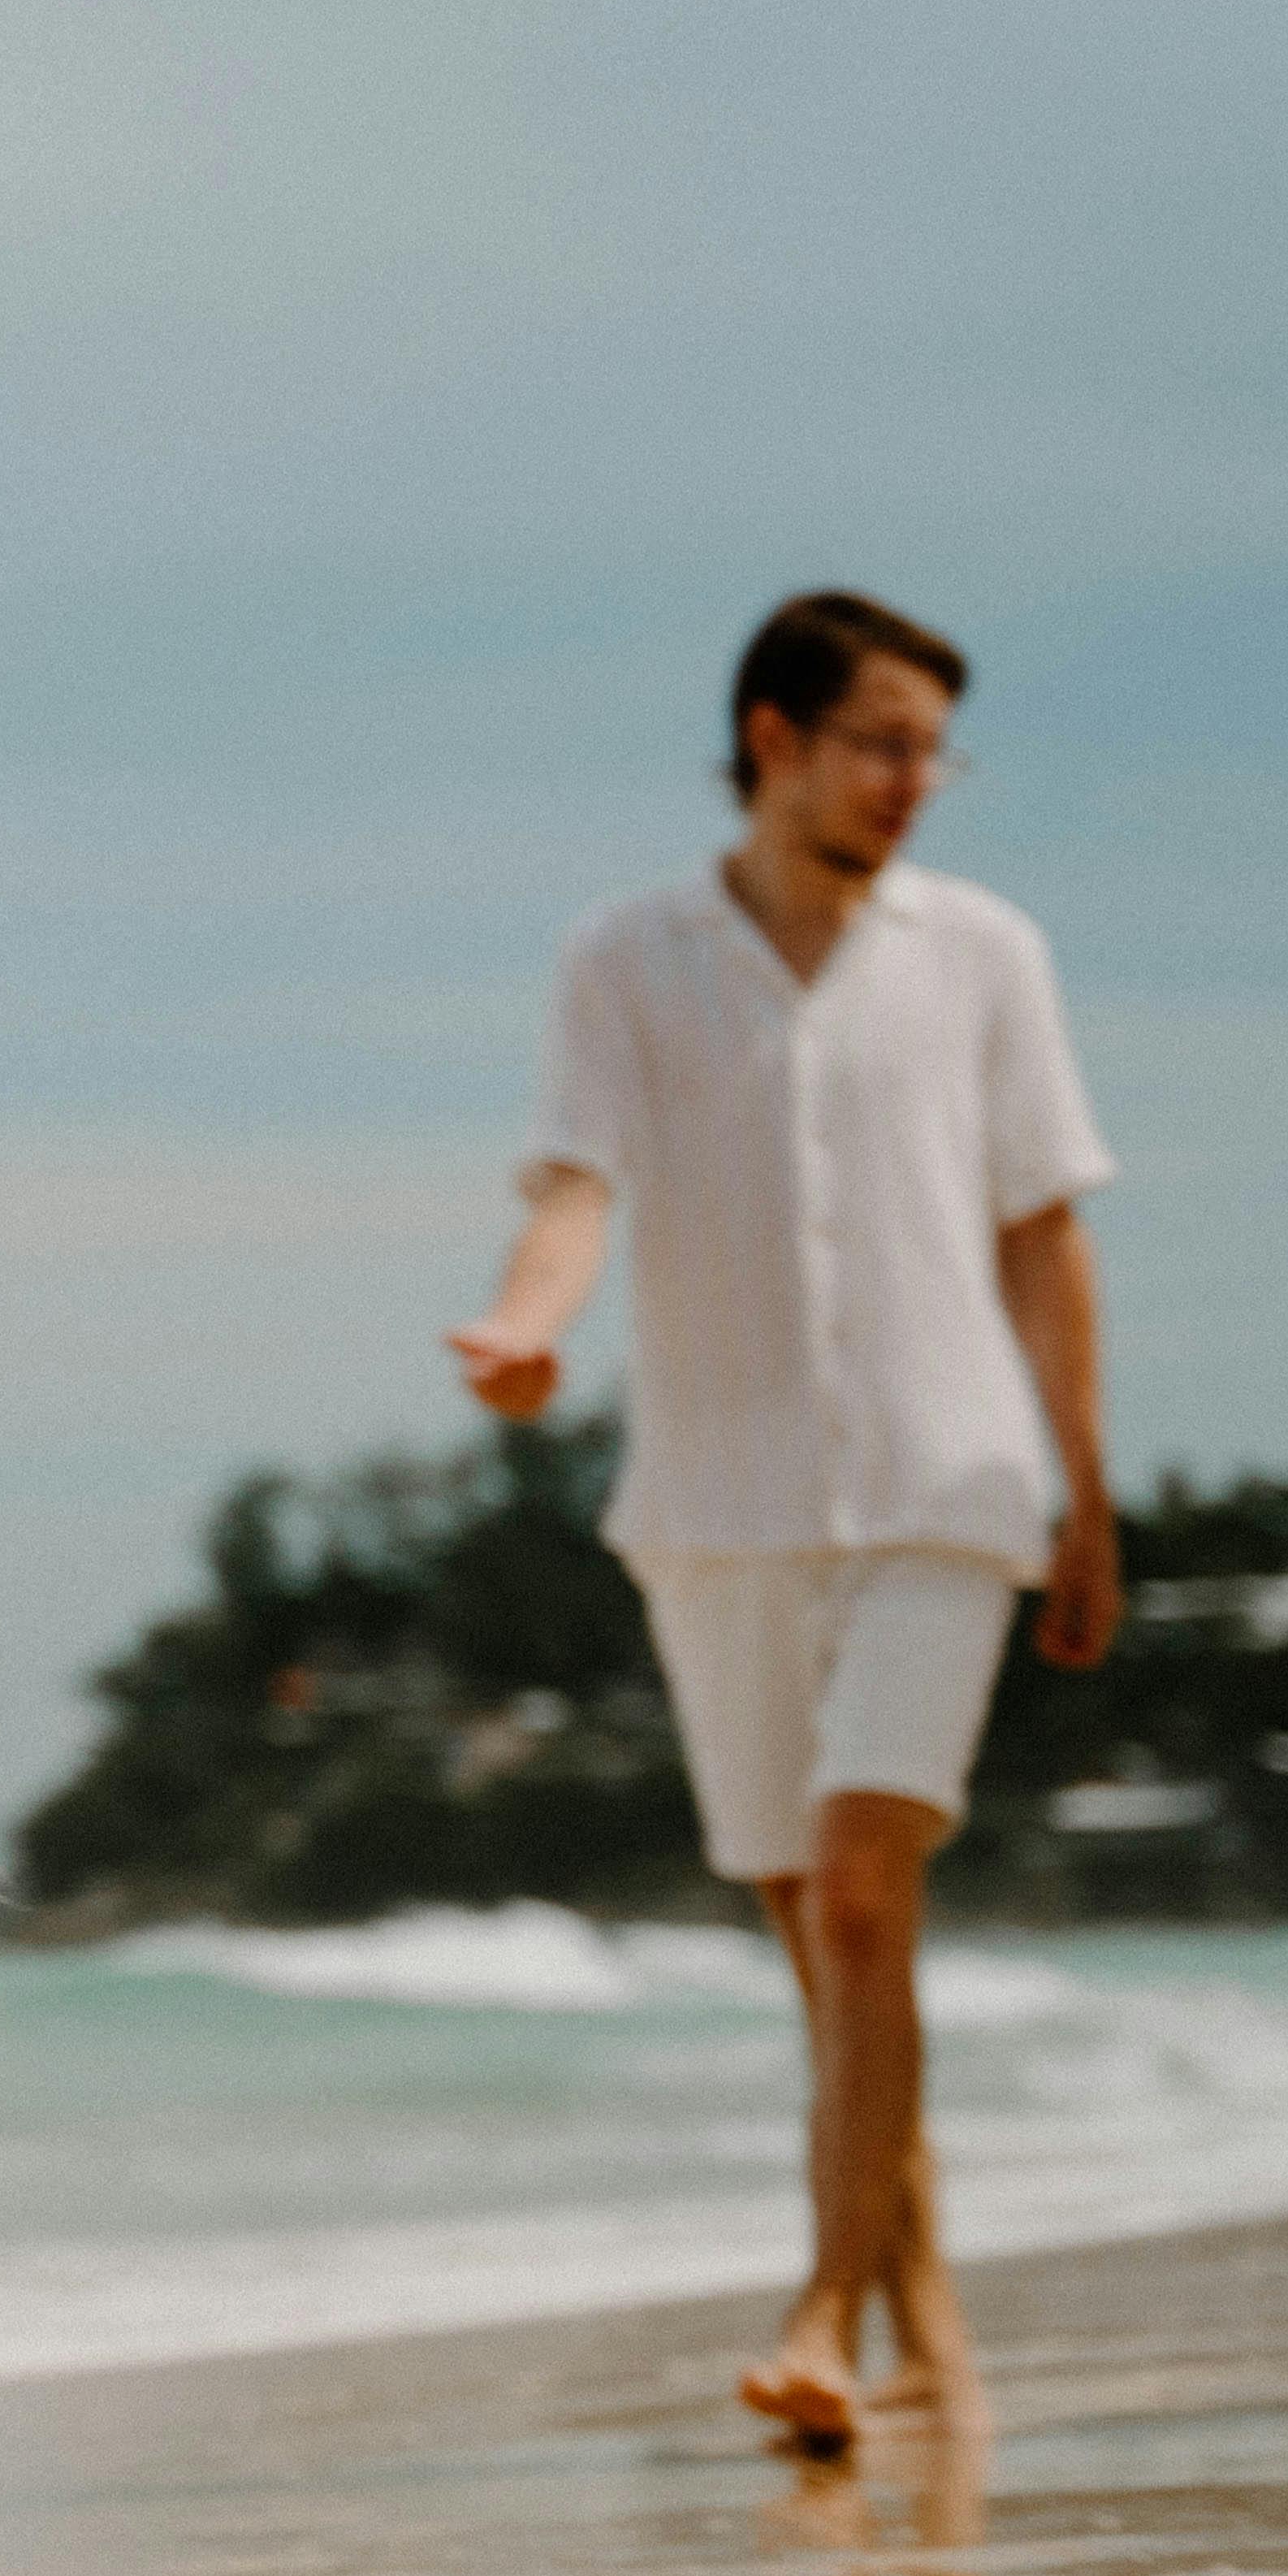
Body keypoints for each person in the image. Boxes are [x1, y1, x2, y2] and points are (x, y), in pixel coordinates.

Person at [447, 589, 1122, 2450]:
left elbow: (1043, 1231)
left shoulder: (985, 952)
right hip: (719, 1504)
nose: (917, 780)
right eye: (883, 740)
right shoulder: (628, 956)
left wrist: (1088, 1485)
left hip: (948, 1479)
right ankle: (929, 2313)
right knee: (822, 1941)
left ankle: (823, 2307)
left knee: (860, 1898)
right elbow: (577, 1183)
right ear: (774, 735)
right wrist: (528, 1321)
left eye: (933, 749)